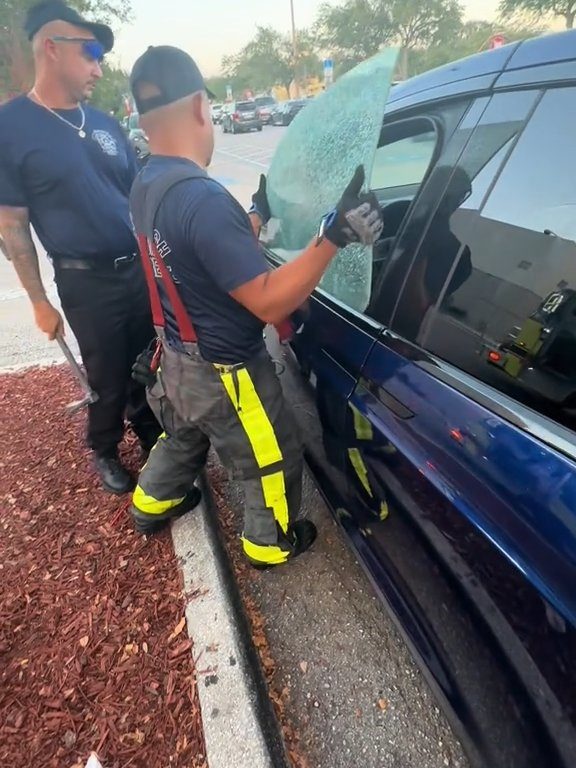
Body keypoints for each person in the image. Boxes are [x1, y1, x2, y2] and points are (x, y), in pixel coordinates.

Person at [127, 45, 384, 569]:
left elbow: (204, 257)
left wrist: (255, 216)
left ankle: (152, 501)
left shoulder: (148, 183)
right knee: (271, 458)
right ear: (201, 106)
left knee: (184, 437)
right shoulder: (200, 196)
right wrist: (333, 237)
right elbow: (268, 302)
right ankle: (268, 543)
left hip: (176, 360)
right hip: (228, 375)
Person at [0, 0, 161, 494]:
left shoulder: (106, 124)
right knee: (107, 374)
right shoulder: (12, 128)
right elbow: (12, 225)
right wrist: (38, 301)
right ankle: (105, 447)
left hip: (136, 267)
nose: (98, 66)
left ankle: (154, 435)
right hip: (85, 279)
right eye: (90, 53)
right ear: (52, 48)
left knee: (147, 362)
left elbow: (138, 197)